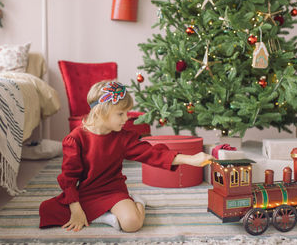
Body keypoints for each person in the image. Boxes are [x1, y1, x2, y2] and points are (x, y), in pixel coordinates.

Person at [39, 80, 213, 233]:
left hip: (112, 191)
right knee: (46, 210)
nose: (126, 119)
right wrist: (75, 208)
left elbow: (152, 154)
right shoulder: (76, 138)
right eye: (121, 114)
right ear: (100, 112)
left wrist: (191, 159)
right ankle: (105, 217)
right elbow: (69, 177)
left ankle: (137, 204)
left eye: (127, 113)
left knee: (132, 223)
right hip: (86, 192)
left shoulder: (123, 138)